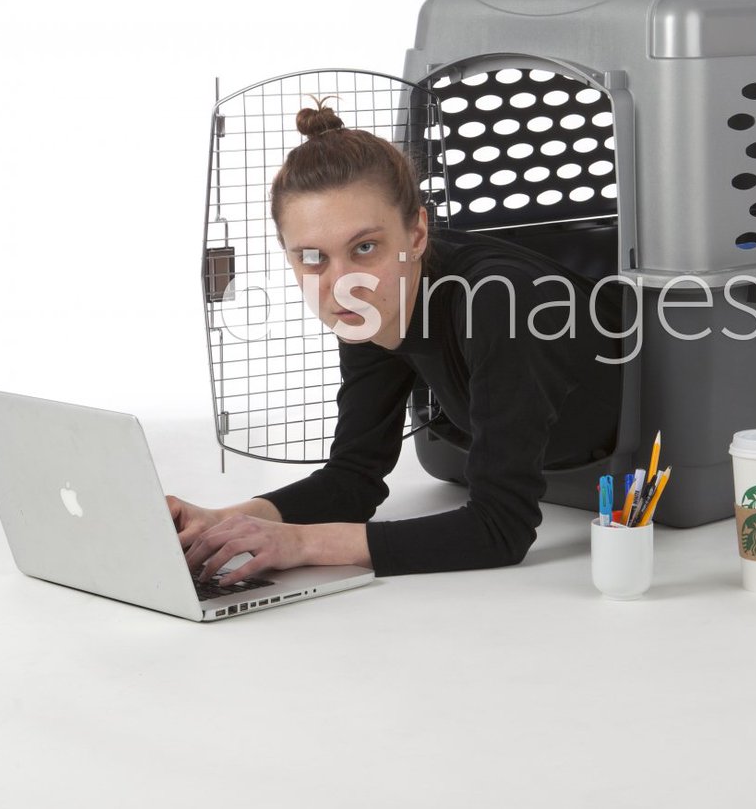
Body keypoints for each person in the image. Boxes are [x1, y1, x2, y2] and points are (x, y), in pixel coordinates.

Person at [170, 98, 624, 582]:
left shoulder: (502, 302)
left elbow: (501, 529)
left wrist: (300, 543)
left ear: (417, 233)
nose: (343, 281)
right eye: (312, 257)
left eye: (365, 247)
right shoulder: (367, 304)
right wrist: (223, 523)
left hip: (620, 452)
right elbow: (354, 479)